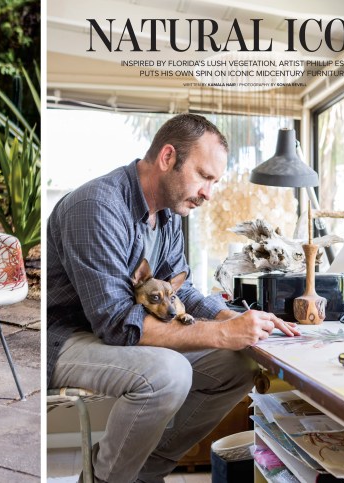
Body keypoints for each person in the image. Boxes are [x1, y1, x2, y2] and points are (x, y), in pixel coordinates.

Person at [47, 113, 300, 483]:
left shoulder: (167, 217)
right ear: (167, 158)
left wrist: (229, 319)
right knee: (168, 374)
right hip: (63, 338)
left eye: (214, 181)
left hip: (108, 334)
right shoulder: (96, 207)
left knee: (238, 366)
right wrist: (218, 334)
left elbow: (186, 295)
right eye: (204, 176)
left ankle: (144, 472)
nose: (208, 193)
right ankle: (103, 479)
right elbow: (118, 324)